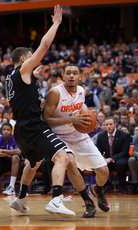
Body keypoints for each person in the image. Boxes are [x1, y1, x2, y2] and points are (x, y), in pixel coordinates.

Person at [6, 5, 75, 218]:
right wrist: (55, 24)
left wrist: (33, 76)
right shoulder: (23, 70)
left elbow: (23, 93)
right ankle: (56, 199)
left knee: (33, 163)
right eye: (31, 57)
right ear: (24, 59)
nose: (34, 59)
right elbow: (44, 45)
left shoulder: (12, 78)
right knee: (62, 157)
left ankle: (20, 199)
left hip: (21, 128)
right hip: (33, 125)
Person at [43, 63, 110, 218]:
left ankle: (98, 191)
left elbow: (78, 114)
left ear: (80, 76)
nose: (71, 75)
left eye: (75, 73)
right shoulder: (54, 93)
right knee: (71, 164)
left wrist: (87, 124)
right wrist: (70, 119)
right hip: (60, 137)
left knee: (103, 171)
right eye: (68, 73)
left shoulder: (81, 91)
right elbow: (46, 120)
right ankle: (88, 201)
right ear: (63, 75)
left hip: (78, 135)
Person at [96, 117, 130, 194]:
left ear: (115, 124)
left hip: (121, 159)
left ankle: (122, 186)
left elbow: (124, 152)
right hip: (108, 160)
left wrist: (111, 159)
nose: (108, 126)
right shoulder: (101, 136)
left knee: (120, 164)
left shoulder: (124, 135)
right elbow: (98, 152)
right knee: (95, 165)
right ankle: (107, 185)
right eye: (106, 125)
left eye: (110, 124)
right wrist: (102, 158)